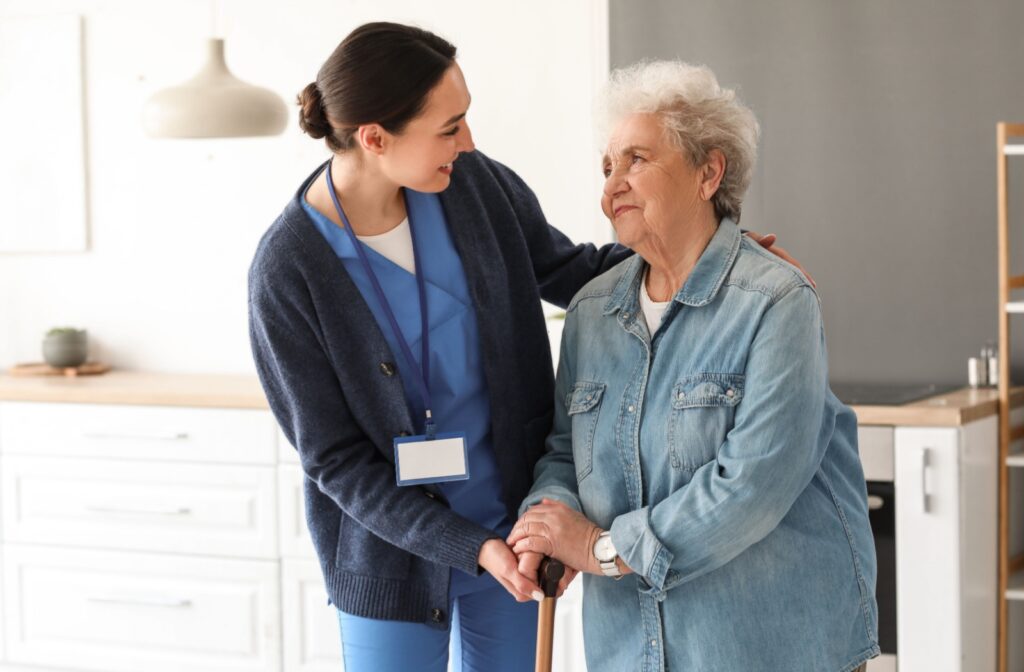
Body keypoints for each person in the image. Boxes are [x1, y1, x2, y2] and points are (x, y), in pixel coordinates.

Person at [248, 22, 806, 672]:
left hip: (511, 529)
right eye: (450, 126)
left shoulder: (473, 185)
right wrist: (467, 546)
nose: (470, 141)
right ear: (375, 138)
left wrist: (710, 257)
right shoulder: (287, 272)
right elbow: (337, 463)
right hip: (389, 554)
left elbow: (574, 272)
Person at [508, 60, 879, 672]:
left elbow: (752, 487)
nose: (612, 185)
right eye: (607, 166)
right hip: (634, 647)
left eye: (636, 160)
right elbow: (563, 452)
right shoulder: (592, 312)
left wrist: (598, 548)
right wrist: (545, 521)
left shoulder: (776, 301)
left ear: (708, 172)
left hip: (768, 644)